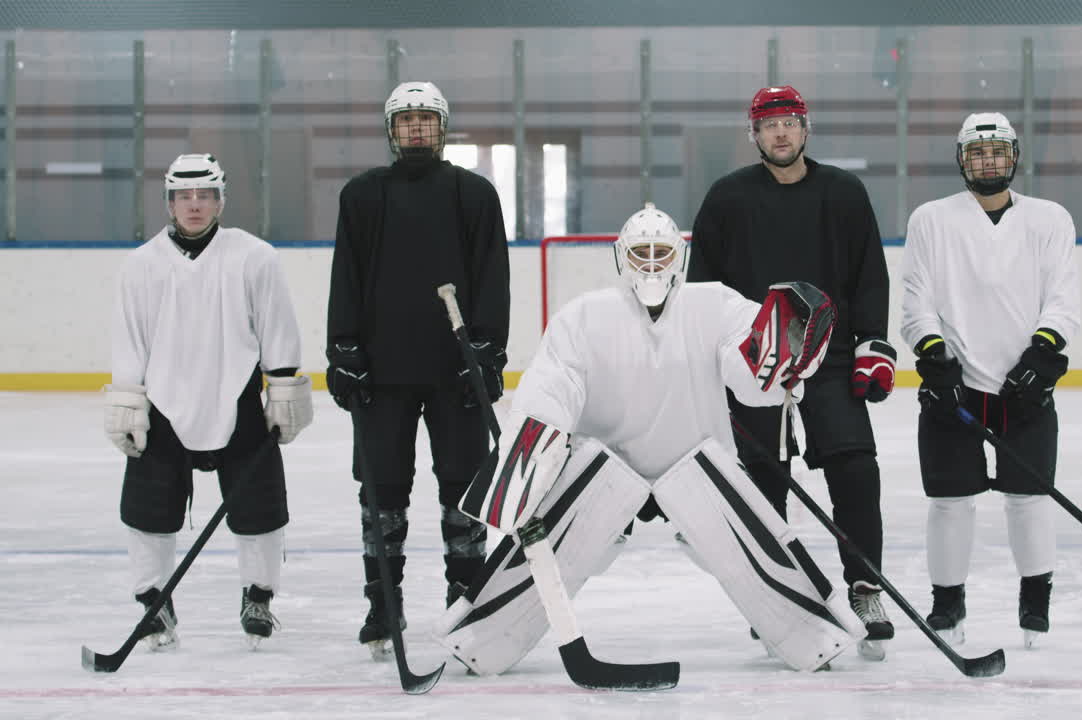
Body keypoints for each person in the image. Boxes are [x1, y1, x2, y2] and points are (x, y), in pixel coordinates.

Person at [438, 202, 855, 675]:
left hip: (699, 465)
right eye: (641, 253)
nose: (651, 263)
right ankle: (480, 641)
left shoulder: (715, 304)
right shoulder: (584, 317)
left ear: (679, 255)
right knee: (548, 544)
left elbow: (752, 377)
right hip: (604, 470)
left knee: (753, 540)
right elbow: (556, 384)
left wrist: (791, 355)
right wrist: (534, 444)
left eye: (661, 251)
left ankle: (815, 636)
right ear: (621, 258)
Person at [687, 85, 898, 653]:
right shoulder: (727, 198)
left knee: (855, 469)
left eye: (790, 122)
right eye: (769, 124)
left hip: (828, 362)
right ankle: (774, 592)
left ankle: (863, 585)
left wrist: (873, 345)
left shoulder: (844, 193)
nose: (780, 132)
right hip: (755, 366)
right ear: (753, 134)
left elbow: (870, 274)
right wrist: (712, 358)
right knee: (762, 484)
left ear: (806, 130)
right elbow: (701, 288)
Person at [326, 80, 510, 659]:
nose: (416, 129)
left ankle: (466, 592)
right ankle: (384, 601)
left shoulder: (473, 193)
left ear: (442, 127)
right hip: (381, 373)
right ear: (391, 130)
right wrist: (344, 350)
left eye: (426, 120)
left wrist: (487, 349)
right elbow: (346, 277)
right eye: (405, 121)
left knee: (463, 485)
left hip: (455, 371)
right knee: (381, 489)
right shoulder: (362, 196)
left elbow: (492, 276)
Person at [105, 152, 311, 651]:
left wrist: (281, 389)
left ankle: (257, 596)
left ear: (220, 201)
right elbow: (131, 340)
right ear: (169, 202)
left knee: (259, 506)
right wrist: (128, 402)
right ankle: (154, 600)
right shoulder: (141, 266)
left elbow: (276, 327)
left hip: (237, 397)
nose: (194, 205)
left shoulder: (254, 256)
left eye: (204, 196)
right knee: (148, 509)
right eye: (183, 196)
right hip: (164, 405)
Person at [899, 111, 1081, 648]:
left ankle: (1034, 604)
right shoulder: (931, 219)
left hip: (1023, 389)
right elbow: (915, 299)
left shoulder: (1050, 220)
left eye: (998, 152)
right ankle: (948, 604)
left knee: (1029, 498)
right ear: (962, 159)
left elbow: (1063, 301)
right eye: (978, 153)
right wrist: (934, 357)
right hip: (954, 388)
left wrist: (1042, 356)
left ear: (1014, 157)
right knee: (949, 500)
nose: (988, 161)